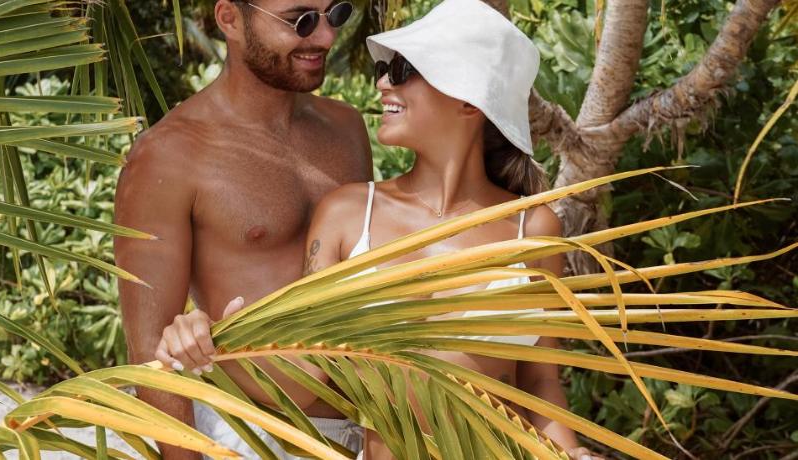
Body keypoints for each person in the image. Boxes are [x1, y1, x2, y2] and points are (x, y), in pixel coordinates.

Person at [158, 0, 601, 458]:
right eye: (385, 68)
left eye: (404, 69)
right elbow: (308, 375)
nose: (383, 82)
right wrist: (211, 341)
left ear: (470, 98)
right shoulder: (349, 215)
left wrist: (574, 454)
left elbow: (539, 381)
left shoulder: (532, 229)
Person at [113, 0, 372, 458]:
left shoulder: (345, 128)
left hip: (363, 432)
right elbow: (150, 351)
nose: (326, 37)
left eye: (335, 14)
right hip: (249, 437)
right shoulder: (169, 155)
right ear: (230, 19)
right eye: (300, 21)